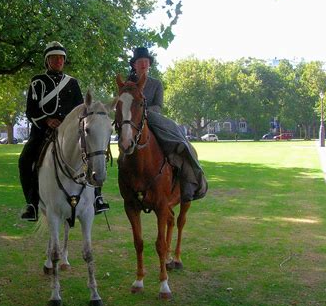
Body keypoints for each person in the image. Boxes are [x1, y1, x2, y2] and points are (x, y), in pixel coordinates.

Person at [19, 41, 109, 221]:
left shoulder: (72, 83)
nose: (59, 61)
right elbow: (30, 110)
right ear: (47, 60)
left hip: (69, 132)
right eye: (54, 58)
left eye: (61, 58)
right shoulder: (37, 82)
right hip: (42, 131)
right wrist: (46, 120)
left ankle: (97, 197)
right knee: (24, 160)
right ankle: (32, 204)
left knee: (90, 154)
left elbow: (80, 109)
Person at [127, 47, 207, 203]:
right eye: (140, 62)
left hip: (152, 118)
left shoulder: (156, 84)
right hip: (132, 122)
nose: (144, 64)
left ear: (149, 64)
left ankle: (190, 178)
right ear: (134, 65)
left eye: (146, 62)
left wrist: (143, 111)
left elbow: (158, 106)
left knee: (178, 140)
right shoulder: (128, 84)